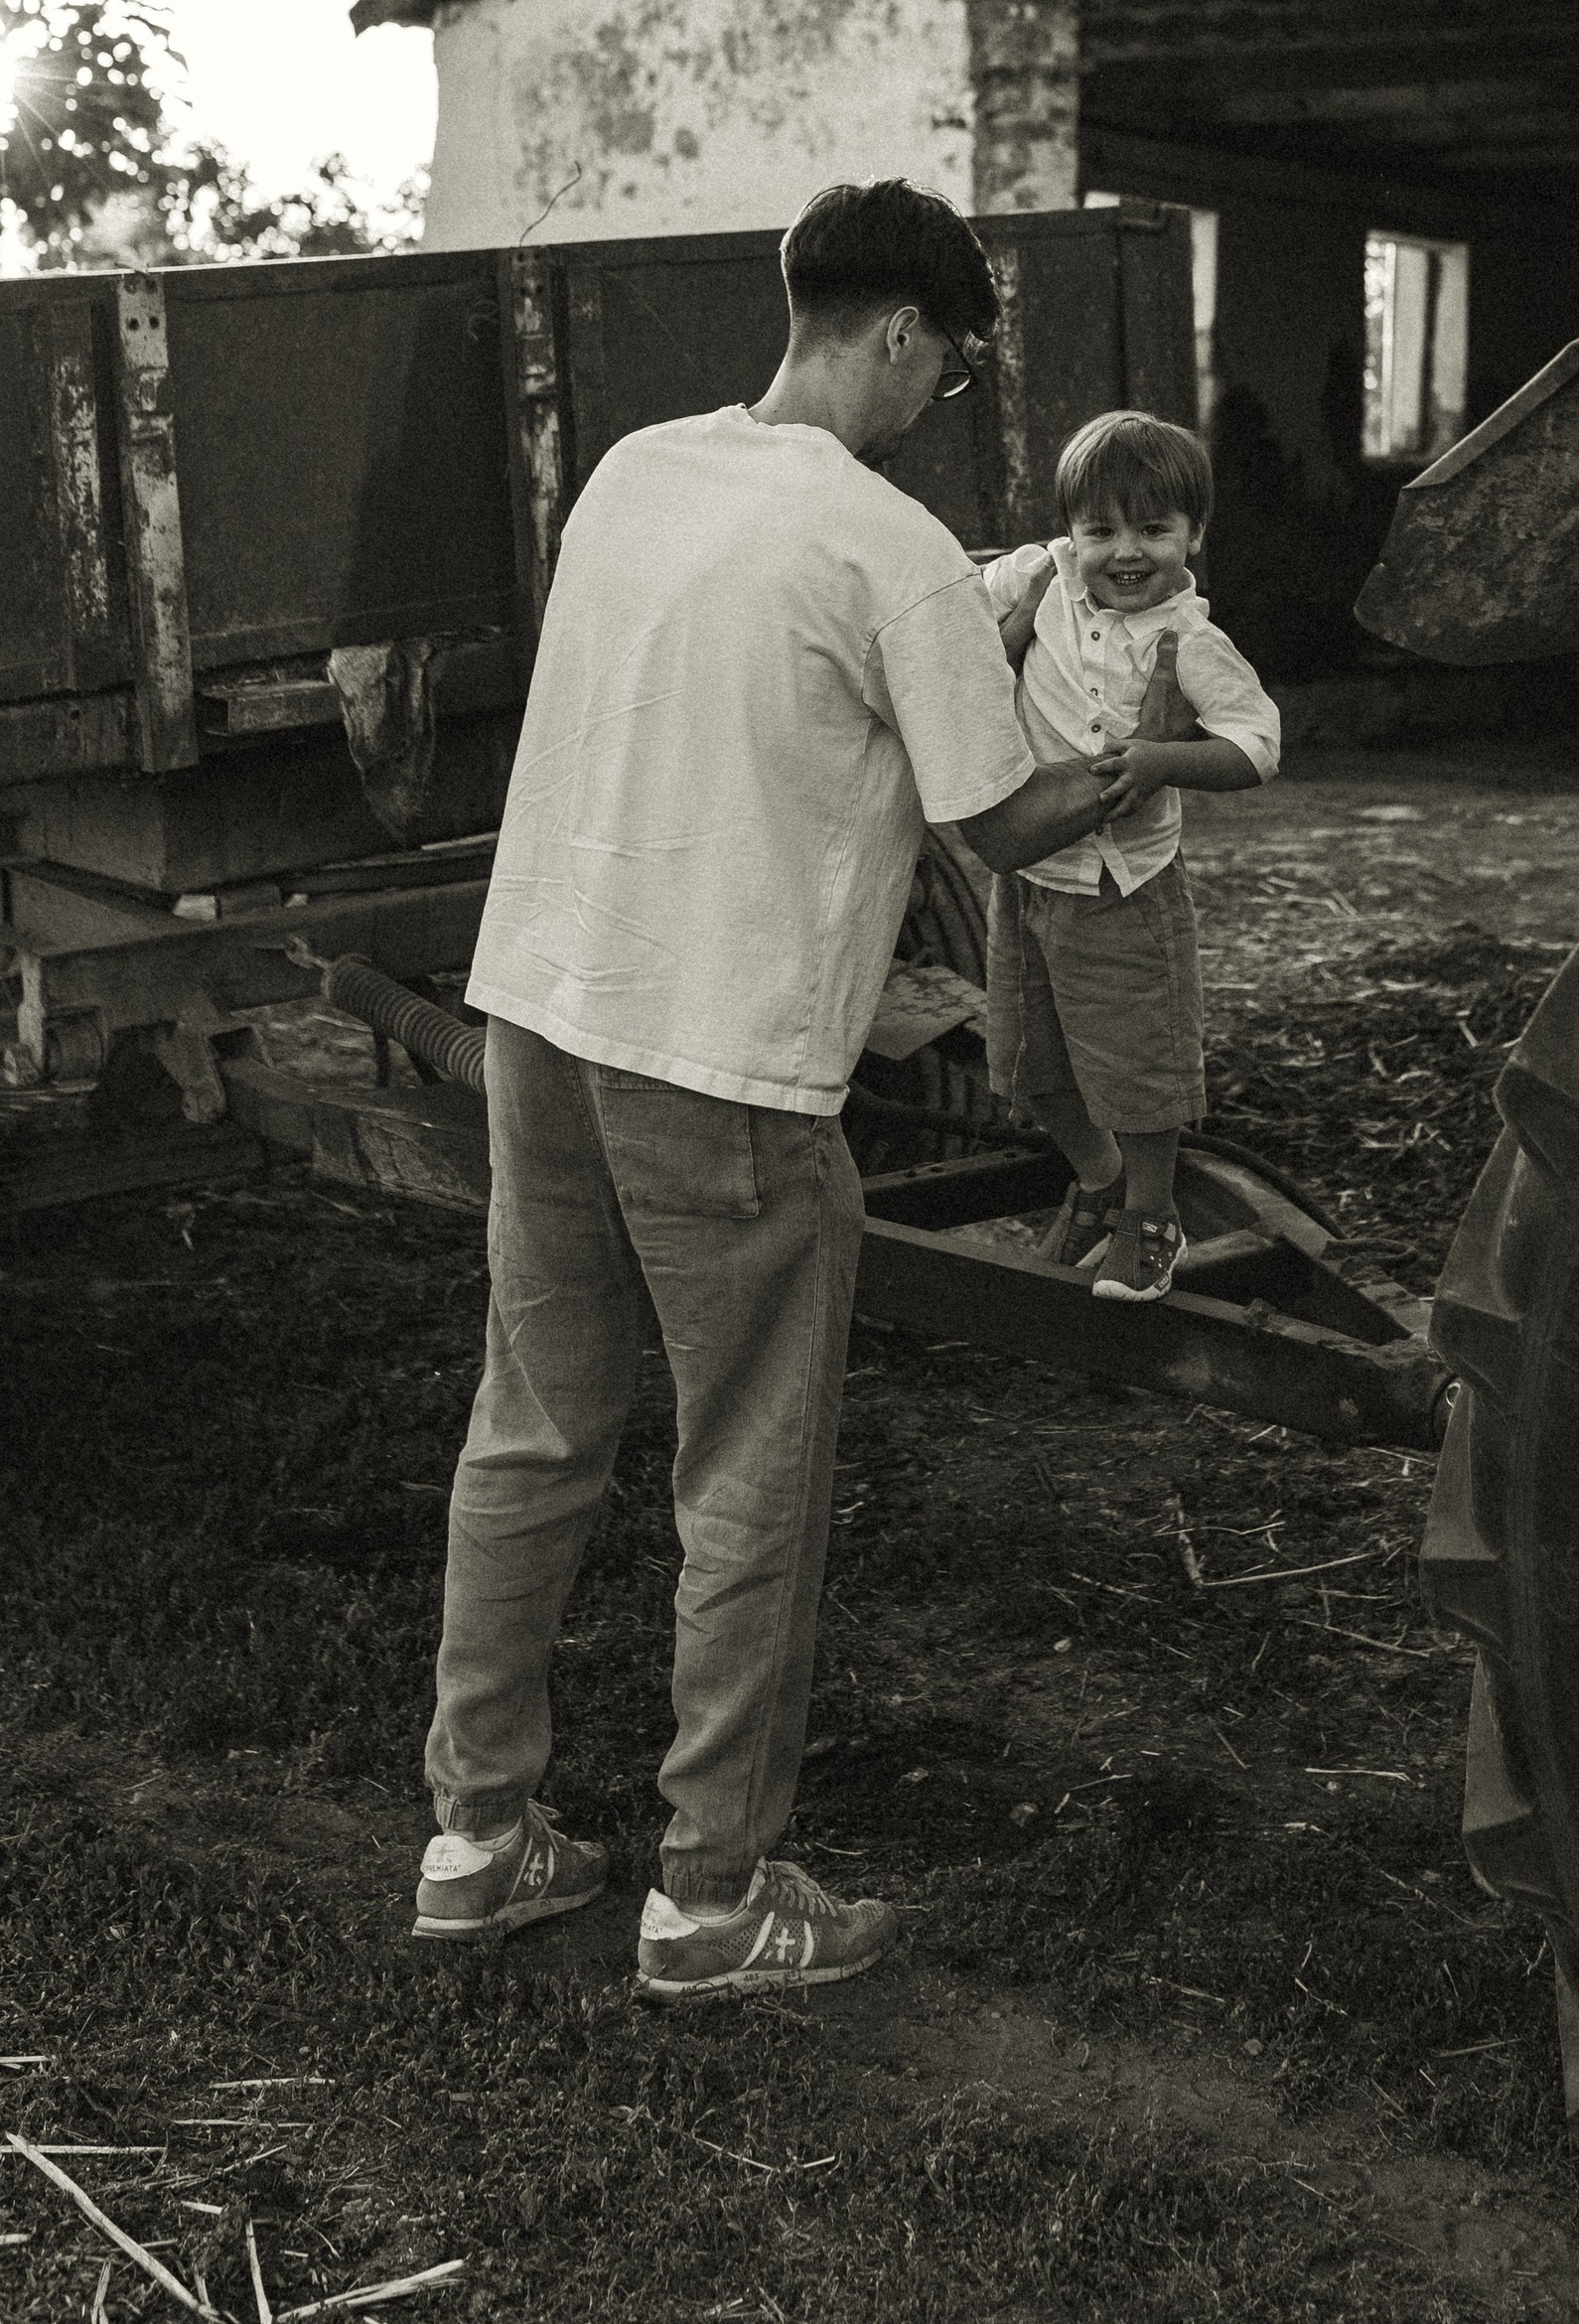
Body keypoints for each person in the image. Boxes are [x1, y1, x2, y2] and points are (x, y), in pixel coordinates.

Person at [409, 180, 1130, 2006]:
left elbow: (784, 627)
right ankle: (710, 1896)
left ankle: (475, 1842)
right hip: (716, 1067)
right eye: (948, 373)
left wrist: (979, 599)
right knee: (748, 1475)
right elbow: (999, 812)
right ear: (902, 335)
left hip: (545, 1014)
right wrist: (1151, 757)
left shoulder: (646, 473)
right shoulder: (885, 546)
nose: (937, 403)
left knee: (535, 1426)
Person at [980, 409, 1281, 1304]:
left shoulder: (1191, 641)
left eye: (1154, 529)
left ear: (1194, 535)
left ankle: (1152, 1214)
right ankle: (1099, 1180)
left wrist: (1164, 761)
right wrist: (1010, 630)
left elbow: (1258, 745)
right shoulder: (1040, 577)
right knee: (1034, 1066)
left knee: (1135, 1069)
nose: (1125, 551)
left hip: (1124, 888)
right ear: (1069, 532)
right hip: (1028, 874)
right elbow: (946, 619)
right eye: (1100, 528)